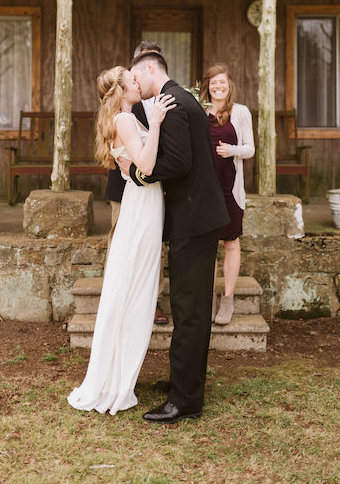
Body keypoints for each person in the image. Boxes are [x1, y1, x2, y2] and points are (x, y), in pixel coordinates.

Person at [120, 52, 229, 423]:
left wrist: (137, 174)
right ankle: (185, 383)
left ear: (150, 68)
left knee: (189, 310)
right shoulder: (178, 98)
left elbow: (179, 163)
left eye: (136, 75)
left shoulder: (175, 103)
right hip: (195, 217)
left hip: (195, 220)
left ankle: (185, 400)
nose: (135, 83)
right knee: (190, 309)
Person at [67, 67, 175, 415]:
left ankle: (118, 375)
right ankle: (117, 381)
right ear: (122, 88)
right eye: (132, 77)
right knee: (136, 291)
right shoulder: (126, 120)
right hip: (142, 205)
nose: (138, 80)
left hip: (142, 202)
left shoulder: (125, 117)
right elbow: (144, 162)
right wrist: (156, 123)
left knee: (133, 288)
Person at [104, 40, 168, 326]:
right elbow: (133, 150)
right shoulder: (124, 110)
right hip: (129, 184)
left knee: (148, 250)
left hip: (147, 185)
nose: (138, 78)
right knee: (123, 247)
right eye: (133, 73)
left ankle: (148, 301)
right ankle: (122, 304)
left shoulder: (153, 98)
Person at [200, 63, 254, 326]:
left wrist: (231, 150)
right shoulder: (200, 112)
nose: (218, 86)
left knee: (230, 242)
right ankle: (207, 298)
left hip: (230, 190)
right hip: (206, 191)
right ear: (207, 87)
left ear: (229, 85)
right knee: (208, 245)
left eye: (222, 82)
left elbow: (250, 149)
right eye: (213, 82)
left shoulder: (240, 112)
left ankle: (228, 298)